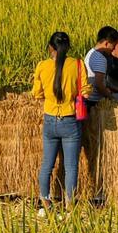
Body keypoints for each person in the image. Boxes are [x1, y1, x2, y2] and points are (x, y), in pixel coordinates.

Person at [33, 31, 88, 214]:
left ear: (50, 47)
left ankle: (45, 201)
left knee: (47, 164)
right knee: (71, 166)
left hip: (50, 120)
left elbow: (36, 93)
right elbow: (86, 91)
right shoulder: (78, 65)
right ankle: (70, 206)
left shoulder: (42, 66)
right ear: (68, 46)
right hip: (70, 120)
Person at [84, 26, 118, 101]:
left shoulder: (91, 52)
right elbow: (99, 85)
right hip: (95, 100)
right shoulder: (100, 59)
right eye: (113, 46)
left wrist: (115, 88)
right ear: (106, 43)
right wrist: (112, 99)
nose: (113, 49)